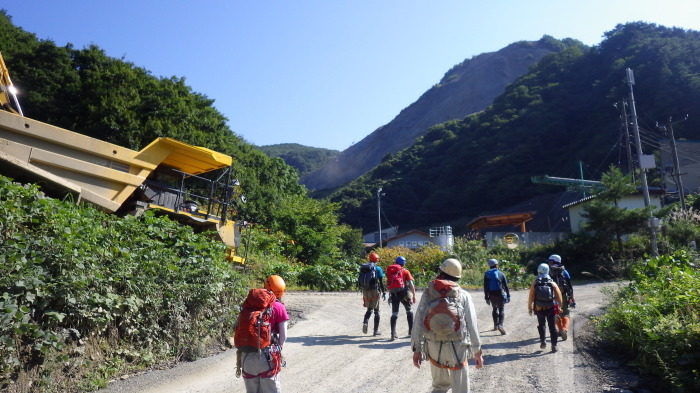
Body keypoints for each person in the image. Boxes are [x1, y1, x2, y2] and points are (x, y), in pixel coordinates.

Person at [411, 258, 484, 393]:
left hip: (433, 345)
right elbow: (472, 325)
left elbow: (418, 322)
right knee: (460, 388)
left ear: (441, 273)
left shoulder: (428, 294)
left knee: (439, 387)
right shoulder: (464, 295)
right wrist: (477, 351)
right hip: (458, 346)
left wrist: (417, 349)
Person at [240, 275, 290, 393]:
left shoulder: (249, 305)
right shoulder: (279, 307)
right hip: (268, 355)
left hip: (246, 355)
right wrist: (279, 349)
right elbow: (284, 335)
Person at [527, 263, 563, 353]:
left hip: (539, 308)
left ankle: (543, 341)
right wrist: (559, 306)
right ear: (548, 271)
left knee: (541, 324)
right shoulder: (552, 283)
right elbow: (559, 296)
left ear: (538, 271)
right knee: (552, 327)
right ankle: (554, 345)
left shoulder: (535, 283)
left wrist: (529, 307)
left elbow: (531, 297)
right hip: (550, 307)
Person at [387, 256, 417, 341]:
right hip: (404, 293)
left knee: (394, 313)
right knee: (409, 311)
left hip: (394, 294)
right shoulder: (405, 271)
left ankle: (393, 334)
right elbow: (411, 284)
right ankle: (411, 331)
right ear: (404, 263)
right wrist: (414, 295)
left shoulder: (391, 271)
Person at [547, 254, 575, 341]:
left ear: (552, 262)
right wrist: (571, 297)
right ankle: (564, 329)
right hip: (562, 296)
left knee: (556, 314)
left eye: (549, 261)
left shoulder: (547, 272)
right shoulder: (564, 272)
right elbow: (569, 286)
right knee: (565, 313)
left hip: (551, 297)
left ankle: (560, 330)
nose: (548, 263)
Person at [360, 252, 386, 336]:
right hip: (374, 290)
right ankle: (375, 331)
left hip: (365, 290)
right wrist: (384, 292)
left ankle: (365, 322)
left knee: (369, 309)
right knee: (376, 311)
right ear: (377, 260)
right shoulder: (378, 269)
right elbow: (381, 282)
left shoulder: (364, 268)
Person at [483, 258, 510, 335]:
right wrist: (508, 295)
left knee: (494, 309)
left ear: (489, 266)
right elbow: (506, 286)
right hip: (500, 294)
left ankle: (495, 325)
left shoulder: (487, 274)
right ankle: (500, 325)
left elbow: (485, 286)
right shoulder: (501, 274)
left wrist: (486, 297)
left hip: (491, 294)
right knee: (501, 309)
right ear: (496, 265)